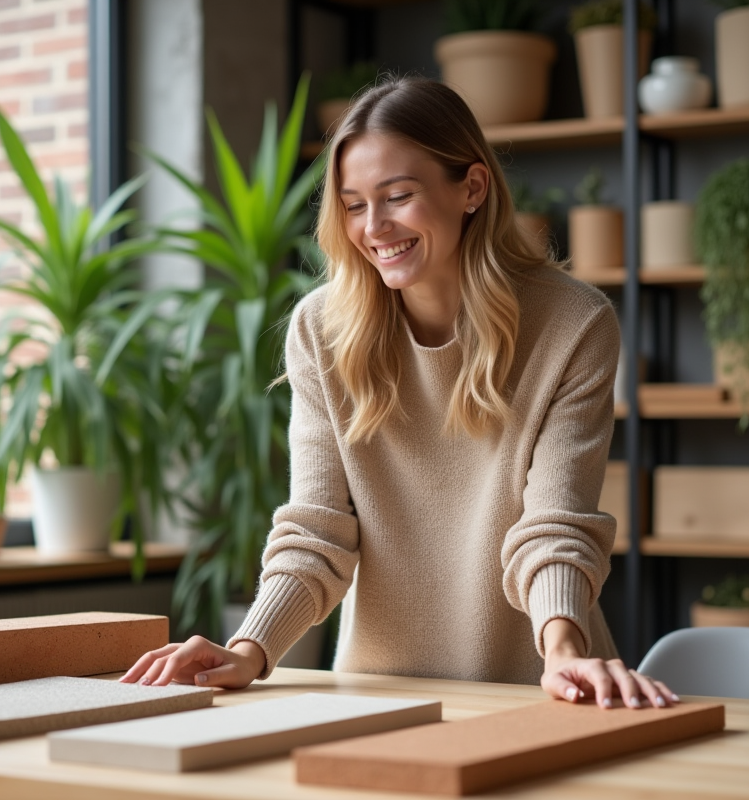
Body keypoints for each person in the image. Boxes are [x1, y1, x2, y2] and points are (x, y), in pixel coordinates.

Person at [122, 77, 676, 710]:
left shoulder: (573, 325)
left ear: (471, 187)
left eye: (399, 196)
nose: (374, 226)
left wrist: (565, 651)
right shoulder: (321, 330)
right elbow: (317, 529)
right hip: (377, 696)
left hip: (538, 691)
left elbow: (554, 526)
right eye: (354, 204)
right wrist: (249, 648)